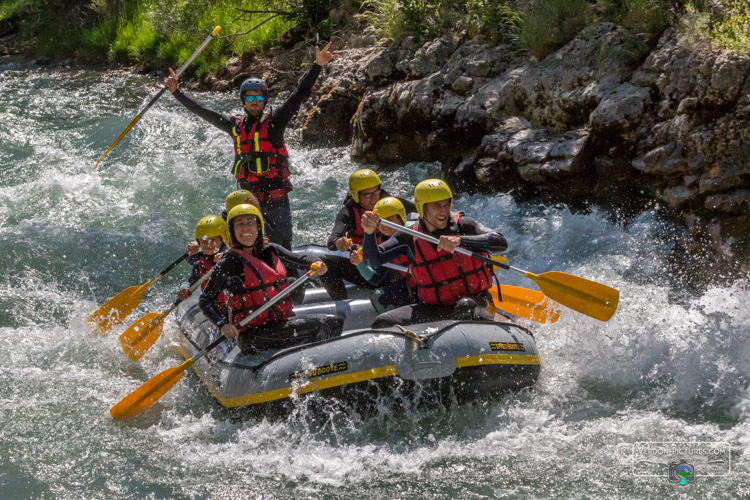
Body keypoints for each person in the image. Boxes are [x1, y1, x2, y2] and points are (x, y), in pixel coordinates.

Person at [165, 42, 338, 250]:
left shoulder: (275, 122)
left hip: (276, 200)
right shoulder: (235, 126)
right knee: (248, 247)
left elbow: (298, 95)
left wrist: (317, 66)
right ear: (243, 101)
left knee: (280, 246)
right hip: (247, 200)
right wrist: (177, 93)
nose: (255, 102)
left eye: (259, 98)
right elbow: (203, 111)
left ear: (264, 101)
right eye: (250, 98)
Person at [362, 179, 508, 328]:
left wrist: (460, 241)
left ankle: (488, 312)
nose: (444, 211)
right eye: (437, 205)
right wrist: (369, 232)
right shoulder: (408, 236)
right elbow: (372, 260)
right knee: (383, 322)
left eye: (446, 204)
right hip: (435, 307)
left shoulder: (464, 225)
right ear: (422, 207)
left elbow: (500, 242)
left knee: (465, 306)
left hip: (475, 301)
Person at [199, 204, 343, 353]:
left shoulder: (271, 250)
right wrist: (222, 325)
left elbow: (301, 258)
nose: (246, 228)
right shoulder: (229, 262)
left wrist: (315, 262)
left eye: (250, 223)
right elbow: (205, 300)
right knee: (326, 325)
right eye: (240, 224)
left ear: (258, 227)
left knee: (335, 322)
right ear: (232, 231)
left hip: (279, 324)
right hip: (253, 336)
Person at [320, 169, 416, 300]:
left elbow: (424, 213)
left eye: (376, 192)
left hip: (391, 264)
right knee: (325, 262)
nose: (374, 199)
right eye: (367, 195)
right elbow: (332, 242)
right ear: (356, 195)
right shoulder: (349, 212)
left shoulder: (393, 204)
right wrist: (338, 242)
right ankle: (342, 305)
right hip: (363, 264)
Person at [349, 197, 416, 313]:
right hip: (411, 287)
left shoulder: (417, 231)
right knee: (379, 296)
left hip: (428, 284)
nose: (384, 226)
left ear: (401, 218)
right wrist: (359, 263)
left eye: (389, 220)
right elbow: (375, 278)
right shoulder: (385, 244)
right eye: (380, 222)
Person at [178, 215, 230, 300]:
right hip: (215, 302)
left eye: (212, 239)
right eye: (203, 241)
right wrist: (184, 287)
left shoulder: (231, 254)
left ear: (223, 240)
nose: (207, 244)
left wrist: (227, 258)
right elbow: (190, 281)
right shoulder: (201, 261)